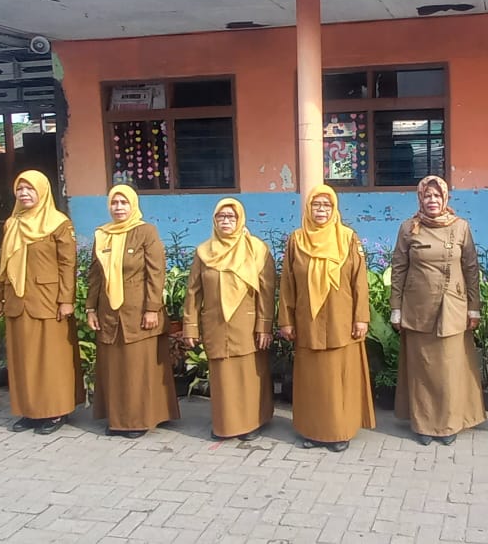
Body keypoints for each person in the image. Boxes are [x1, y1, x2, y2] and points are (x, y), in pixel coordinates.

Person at [389, 176, 485, 446]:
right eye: (427, 196)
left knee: (449, 369)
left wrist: (474, 308)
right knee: (422, 370)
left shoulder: (460, 227)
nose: (432, 201)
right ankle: (423, 425)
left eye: (437, 196)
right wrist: (396, 308)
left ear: (445, 198)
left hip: (452, 307)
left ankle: (449, 423)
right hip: (417, 308)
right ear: (420, 198)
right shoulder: (409, 228)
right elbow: (398, 268)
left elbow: (471, 269)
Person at [278, 185, 375, 452]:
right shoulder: (297, 240)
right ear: (308, 208)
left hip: (341, 321)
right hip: (307, 322)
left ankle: (339, 431)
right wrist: (286, 320)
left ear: (334, 208)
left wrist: (361, 318)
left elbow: (359, 282)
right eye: (316, 205)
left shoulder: (347, 238)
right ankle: (312, 431)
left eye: (327, 205)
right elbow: (287, 283)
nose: (321, 210)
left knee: (338, 381)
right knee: (312, 381)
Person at [85, 185, 179, 438]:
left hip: (138, 313)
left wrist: (152, 309)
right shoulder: (102, 235)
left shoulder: (146, 232)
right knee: (115, 367)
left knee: (138, 368)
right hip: (109, 313)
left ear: (133, 205)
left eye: (123, 203)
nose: (118, 208)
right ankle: (118, 418)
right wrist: (91, 308)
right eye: (114, 203)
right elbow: (95, 275)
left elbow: (156, 272)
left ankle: (137, 420)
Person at [0, 170, 80, 435]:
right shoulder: (12, 223)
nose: (24, 194)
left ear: (42, 191)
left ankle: (55, 411)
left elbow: (68, 264)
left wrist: (66, 300)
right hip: (17, 301)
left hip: (48, 301)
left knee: (49, 358)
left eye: (30, 189)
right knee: (23, 359)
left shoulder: (58, 222)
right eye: (20, 189)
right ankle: (29, 411)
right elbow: (4, 264)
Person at [185, 198, 276, 442]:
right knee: (223, 377)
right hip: (215, 324)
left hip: (247, 324)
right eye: (221, 216)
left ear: (240, 219)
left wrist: (265, 326)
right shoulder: (204, 252)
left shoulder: (257, 250)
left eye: (231, 217)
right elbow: (193, 292)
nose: (226, 221)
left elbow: (267, 292)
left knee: (248, 375)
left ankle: (251, 422)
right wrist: (190, 326)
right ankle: (225, 424)